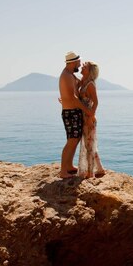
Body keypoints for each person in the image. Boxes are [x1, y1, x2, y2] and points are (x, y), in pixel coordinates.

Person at [59, 51, 92, 179]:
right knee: (71, 141)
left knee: (75, 139)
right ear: (73, 62)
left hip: (73, 112)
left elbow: (80, 85)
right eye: (78, 62)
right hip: (71, 113)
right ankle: (63, 171)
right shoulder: (67, 75)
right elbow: (73, 98)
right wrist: (88, 110)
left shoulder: (70, 75)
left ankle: (69, 166)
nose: (79, 64)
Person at [78, 61, 105, 178]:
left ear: (89, 71)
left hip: (88, 117)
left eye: (85, 66)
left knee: (89, 145)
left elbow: (96, 102)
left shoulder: (90, 85)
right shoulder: (83, 82)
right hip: (84, 117)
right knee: (90, 144)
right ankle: (100, 169)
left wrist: (90, 117)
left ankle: (90, 173)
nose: (82, 66)